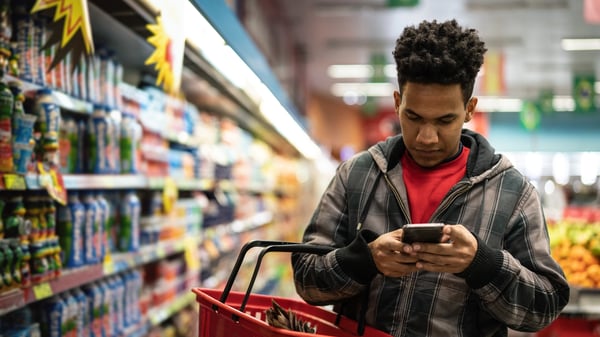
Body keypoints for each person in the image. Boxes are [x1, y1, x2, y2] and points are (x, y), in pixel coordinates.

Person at [291, 19, 570, 337]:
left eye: (444, 120)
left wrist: (482, 263)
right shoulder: (357, 175)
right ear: (397, 103)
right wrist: (365, 260)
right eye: (413, 117)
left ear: (469, 109)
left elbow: (545, 306)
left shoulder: (511, 191)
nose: (426, 137)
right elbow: (305, 279)